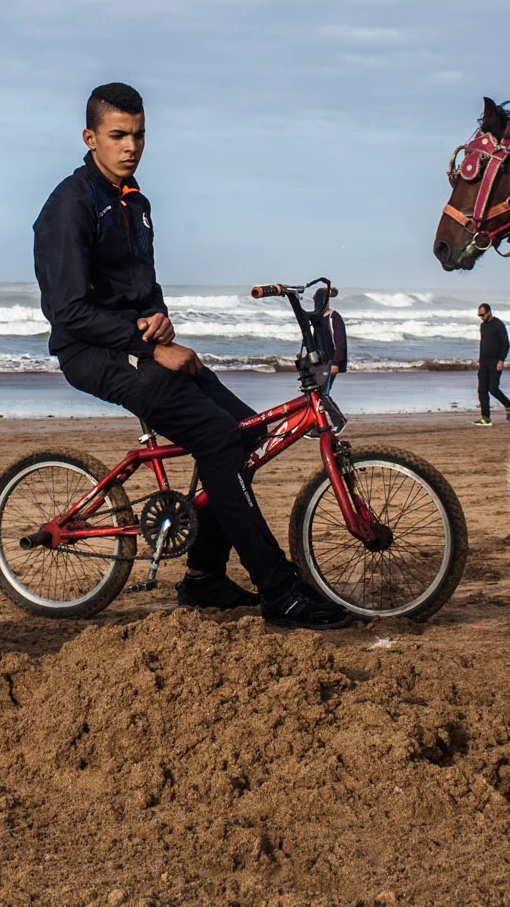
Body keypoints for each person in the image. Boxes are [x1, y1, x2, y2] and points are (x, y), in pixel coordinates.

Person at [33, 81, 349, 630]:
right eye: (117, 136)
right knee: (216, 437)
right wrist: (146, 343)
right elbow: (67, 314)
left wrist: (161, 322)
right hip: (92, 354)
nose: (131, 146)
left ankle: (203, 577)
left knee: (246, 431)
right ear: (90, 138)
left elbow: (144, 288)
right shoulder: (70, 207)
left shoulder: (138, 201)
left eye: (139, 135)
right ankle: (278, 590)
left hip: (137, 343)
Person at [474, 303, 510, 426]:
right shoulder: (482, 326)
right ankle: (486, 418)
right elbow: (482, 343)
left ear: (489, 312)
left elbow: (506, 343)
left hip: (495, 361)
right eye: (479, 315)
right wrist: (480, 361)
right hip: (484, 361)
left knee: (493, 389)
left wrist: (501, 360)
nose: (481, 317)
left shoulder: (498, 324)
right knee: (482, 390)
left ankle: (509, 405)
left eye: (483, 314)